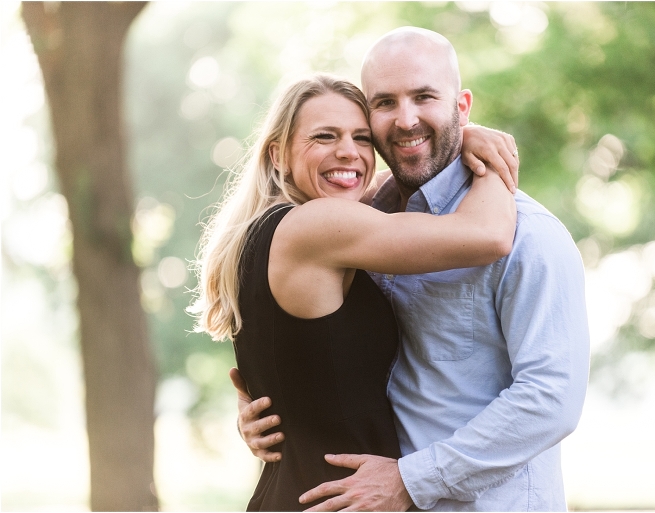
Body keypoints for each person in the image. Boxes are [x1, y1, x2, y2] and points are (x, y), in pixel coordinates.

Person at [235, 27, 591, 512]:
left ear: (461, 107)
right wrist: (284, 407)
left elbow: (551, 399)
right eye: (384, 103)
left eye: (424, 97)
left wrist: (410, 480)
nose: (405, 120)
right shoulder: (365, 222)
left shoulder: (530, 236)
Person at [190, 73, 517, 511]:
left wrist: (459, 135)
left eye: (362, 138)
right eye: (324, 136)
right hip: (336, 499)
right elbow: (488, 235)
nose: (349, 152)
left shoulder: (262, 233)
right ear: (278, 154)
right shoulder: (315, 226)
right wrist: (487, 157)